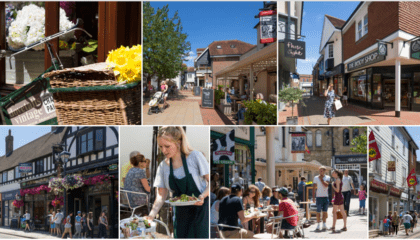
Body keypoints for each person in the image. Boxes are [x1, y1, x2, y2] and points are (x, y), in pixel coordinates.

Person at [145, 127, 210, 238]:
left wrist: (202, 196)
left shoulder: (195, 156)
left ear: (179, 143)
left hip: (199, 211)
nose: (163, 151)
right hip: (180, 214)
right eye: (160, 147)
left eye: (167, 146)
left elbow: (210, 183)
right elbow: (161, 196)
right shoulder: (163, 166)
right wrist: (151, 216)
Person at [313, 166, 331, 231]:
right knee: (318, 211)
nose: (320, 172)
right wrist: (313, 197)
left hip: (325, 196)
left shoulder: (328, 177)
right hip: (318, 197)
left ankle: (324, 224)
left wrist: (321, 179)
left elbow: (326, 185)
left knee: (324, 212)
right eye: (319, 170)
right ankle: (318, 225)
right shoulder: (315, 177)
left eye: (321, 170)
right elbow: (314, 187)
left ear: (324, 171)